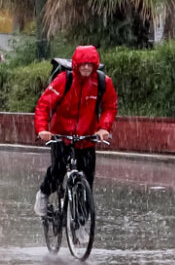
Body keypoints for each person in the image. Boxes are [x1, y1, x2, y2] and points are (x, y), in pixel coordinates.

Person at [32, 45, 119, 216]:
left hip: (86, 138)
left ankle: (81, 222)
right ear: (76, 64)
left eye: (90, 64)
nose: (86, 67)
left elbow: (110, 106)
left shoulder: (102, 82)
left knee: (87, 182)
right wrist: (42, 129)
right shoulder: (64, 80)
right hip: (61, 136)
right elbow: (44, 105)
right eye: (83, 64)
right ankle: (43, 194)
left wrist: (103, 128)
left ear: (95, 65)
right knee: (57, 171)